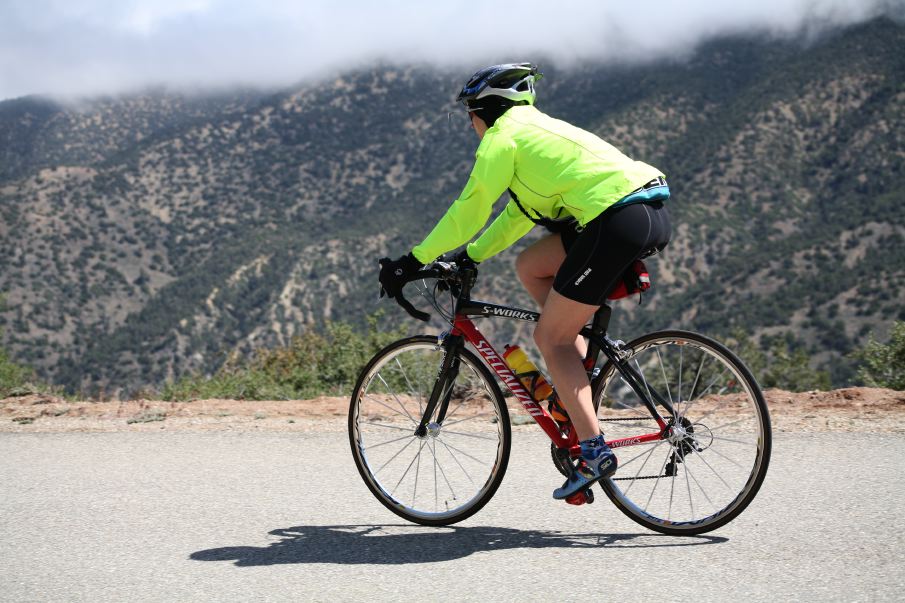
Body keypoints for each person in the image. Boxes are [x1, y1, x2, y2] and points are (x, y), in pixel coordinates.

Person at [378, 63, 672, 501]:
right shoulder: (537, 133)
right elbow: (517, 216)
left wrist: (412, 261)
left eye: (470, 115)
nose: (470, 126)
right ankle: (579, 385)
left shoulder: (503, 138)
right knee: (531, 265)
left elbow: (471, 209)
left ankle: (593, 451)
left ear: (485, 110)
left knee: (548, 338)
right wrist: (470, 255)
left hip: (614, 222)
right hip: (646, 213)